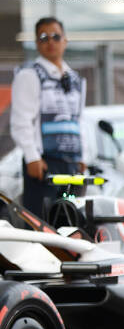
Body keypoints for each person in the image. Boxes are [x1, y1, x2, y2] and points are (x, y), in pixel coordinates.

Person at [10, 16, 87, 218]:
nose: (50, 42)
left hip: (71, 163)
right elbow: (21, 120)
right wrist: (32, 157)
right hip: (44, 164)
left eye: (55, 36)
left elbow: (79, 120)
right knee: (42, 223)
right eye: (44, 37)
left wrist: (83, 156)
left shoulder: (76, 79)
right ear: (37, 43)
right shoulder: (29, 75)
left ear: (65, 40)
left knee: (71, 220)